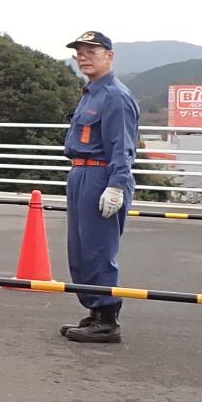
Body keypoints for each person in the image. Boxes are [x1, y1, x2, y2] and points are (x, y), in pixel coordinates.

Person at [60, 29, 140, 345]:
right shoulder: (91, 92)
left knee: (98, 250)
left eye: (91, 52)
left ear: (109, 55)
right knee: (79, 251)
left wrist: (117, 185)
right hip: (81, 175)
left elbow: (123, 147)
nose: (83, 57)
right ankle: (94, 310)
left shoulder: (115, 96)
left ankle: (107, 320)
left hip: (101, 177)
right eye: (79, 52)